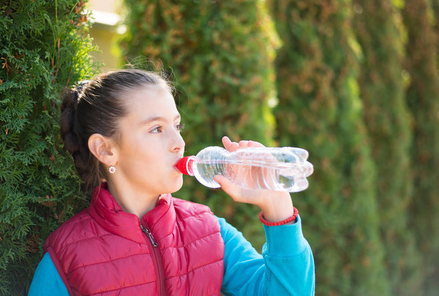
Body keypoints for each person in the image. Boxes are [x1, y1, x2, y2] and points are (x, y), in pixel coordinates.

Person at [28, 69, 315, 295]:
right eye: (156, 129)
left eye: (176, 126)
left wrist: (275, 201)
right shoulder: (67, 257)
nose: (179, 143)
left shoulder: (210, 232)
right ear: (105, 150)